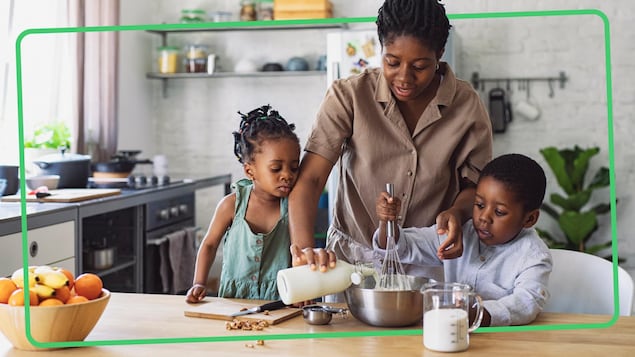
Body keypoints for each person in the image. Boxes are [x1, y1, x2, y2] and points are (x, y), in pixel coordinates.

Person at [288, 0, 493, 274]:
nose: (404, 78)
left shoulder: (467, 105)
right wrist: (304, 253)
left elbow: (474, 188)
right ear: (380, 48)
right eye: (392, 62)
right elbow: (311, 180)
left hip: (427, 259)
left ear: (440, 53)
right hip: (352, 261)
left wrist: (457, 212)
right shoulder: (349, 96)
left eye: (420, 66)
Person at [374, 153, 553, 326]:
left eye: (499, 212)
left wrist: (471, 312)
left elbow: (527, 303)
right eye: (479, 205)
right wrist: (386, 222)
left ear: (529, 219)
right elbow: (400, 248)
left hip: (503, 342)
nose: (484, 217)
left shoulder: (534, 257)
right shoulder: (459, 234)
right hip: (452, 333)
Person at [186, 105, 301, 303]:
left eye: (294, 167)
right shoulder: (231, 205)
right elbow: (209, 244)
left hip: (280, 301)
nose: (287, 175)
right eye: (276, 168)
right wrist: (199, 282)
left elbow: (301, 252)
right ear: (250, 172)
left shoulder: (293, 207)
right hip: (233, 300)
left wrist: (302, 291)